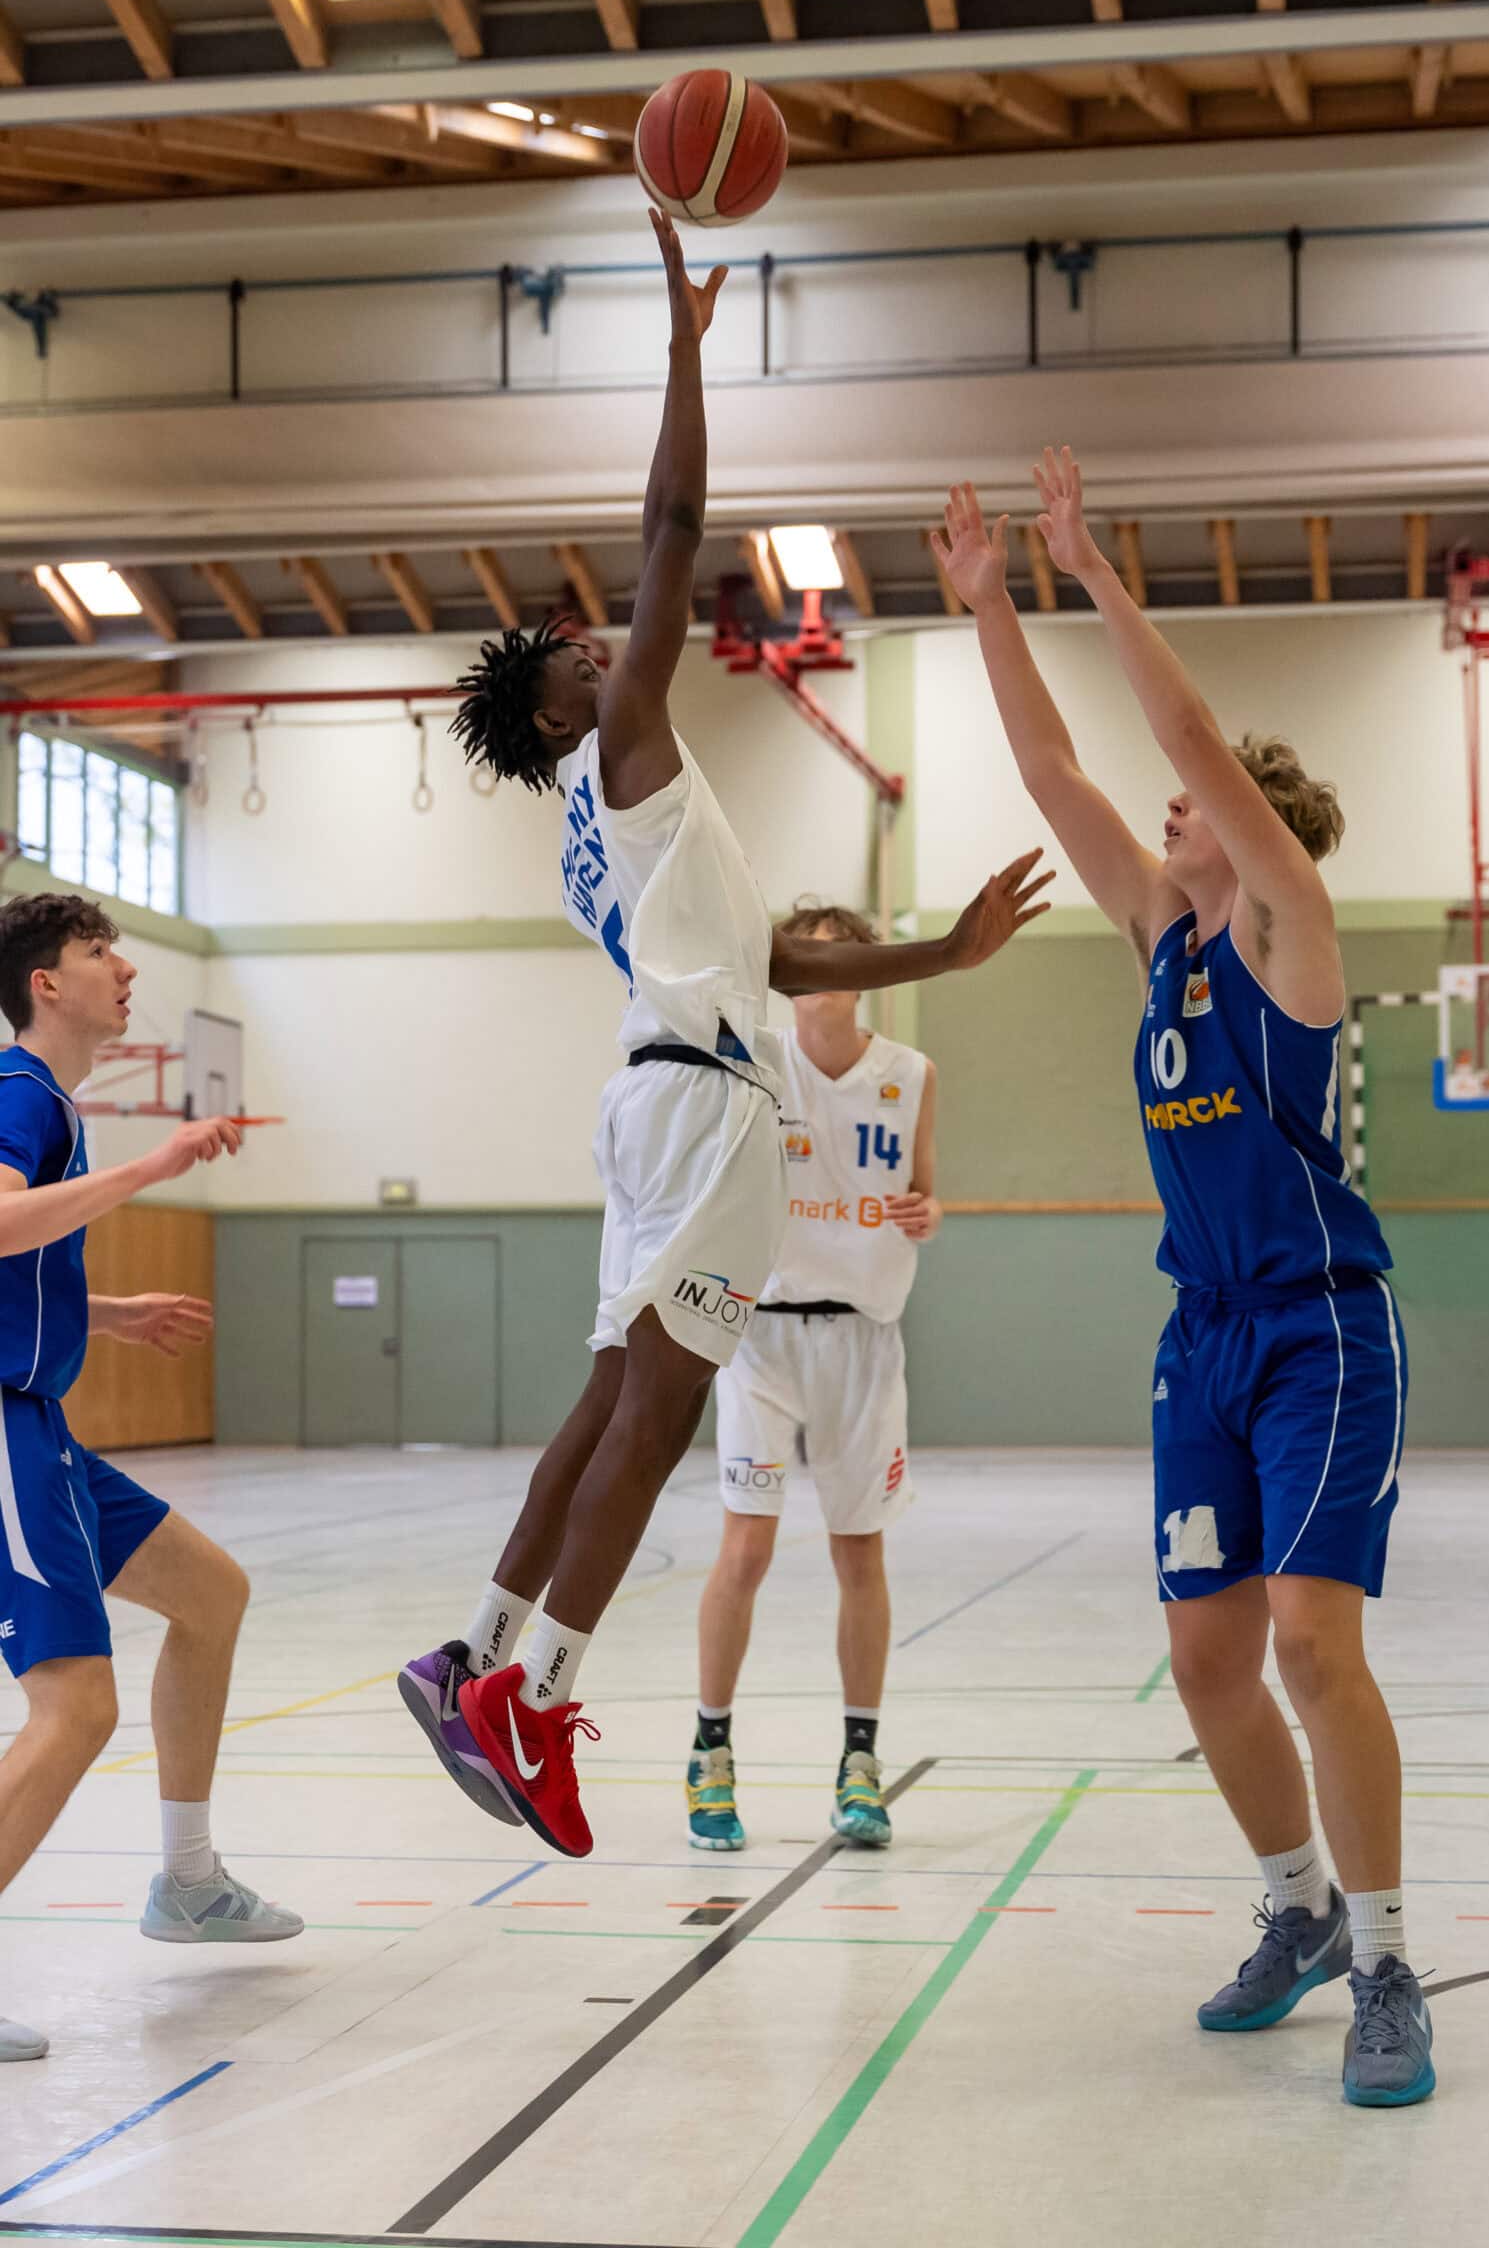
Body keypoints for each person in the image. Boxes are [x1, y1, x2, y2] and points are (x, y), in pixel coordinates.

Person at [399, 210, 1050, 1863]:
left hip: (649, 1103)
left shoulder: (596, 823)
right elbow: (676, 518)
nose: (604, 640)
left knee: (613, 1393)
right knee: (664, 1412)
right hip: (708, 1121)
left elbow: (774, 952)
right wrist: (687, 341)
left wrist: (942, 954)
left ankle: (473, 1644)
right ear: (561, 705)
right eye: (576, 651)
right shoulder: (616, 739)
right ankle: (532, 1703)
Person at [930, 449, 1431, 2111]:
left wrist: (1086, 567)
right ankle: (1289, 1910)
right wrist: (990, 604)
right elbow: (1051, 760)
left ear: (1257, 835)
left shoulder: (1292, 930)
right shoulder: (1162, 944)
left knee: (1306, 1642)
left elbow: (1178, 743)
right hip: (1199, 1340)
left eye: (1200, 807)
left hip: (1319, 1335)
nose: (1166, 816)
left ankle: (1382, 1962)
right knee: (1207, 1660)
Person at [0, 892, 302, 2066]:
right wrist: (162, 1161)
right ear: (45, 984)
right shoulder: (22, 1093)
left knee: (210, 1595)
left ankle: (187, 1879)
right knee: (77, 1706)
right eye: (97, 954)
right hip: (9, 1431)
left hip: (47, 1422)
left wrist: (107, 1312)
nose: (124, 969)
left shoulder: (48, 1101)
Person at [686, 901, 939, 1856]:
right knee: (744, 1551)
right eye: (805, 958)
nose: (821, 972)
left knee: (857, 1555)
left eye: (841, 957)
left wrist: (925, 1213)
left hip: (863, 1344)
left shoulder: (910, 1073)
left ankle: (859, 1765)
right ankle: (710, 1751)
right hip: (761, 1340)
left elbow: (925, 1190)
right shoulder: (748, 1063)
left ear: (867, 972)